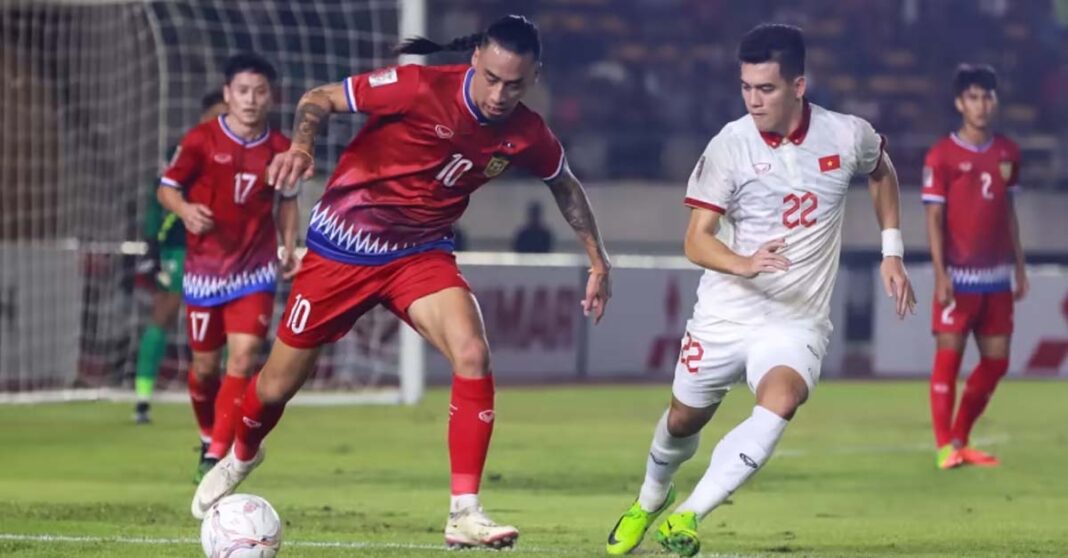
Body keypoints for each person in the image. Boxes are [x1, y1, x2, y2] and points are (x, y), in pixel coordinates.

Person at [191, 15, 612, 550]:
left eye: (515, 84)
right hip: (341, 250)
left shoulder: (527, 132)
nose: (500, 94)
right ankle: (243, 454)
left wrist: (598, 260)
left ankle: (464, 511)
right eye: (491, 78)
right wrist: (301, 146)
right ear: (475, 60)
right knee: (274, 386)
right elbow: (319, 97)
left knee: (472, 354)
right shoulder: (418, 87)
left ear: (534, 78)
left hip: (419, 254)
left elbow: (565, 184)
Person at [604, 24, 916, 557]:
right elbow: (696, 242)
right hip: (726, 311)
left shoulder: (847, 135)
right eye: (746, 87)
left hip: (796, 319)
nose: (753, 100)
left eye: (765, 89)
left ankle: (687, 517)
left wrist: (892, 250)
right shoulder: (730, 146)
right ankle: (651, 498)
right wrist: (744, 263)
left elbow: (881, 170)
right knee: (683, 419)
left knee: (782, 399)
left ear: (798, 85)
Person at [158, 53, 300, 482]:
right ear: (227, 94)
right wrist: (184, 209)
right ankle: (208, 434)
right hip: (204, 269)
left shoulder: (280, 149)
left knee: (243, 360)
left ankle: (217, 454)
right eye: (242, 91)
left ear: (271, 98)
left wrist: (290, 246)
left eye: (259, 92)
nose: (251, 100)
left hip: (254, 270)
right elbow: (166, 189)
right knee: (204, 369)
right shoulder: (201, 140)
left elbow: (288, 203)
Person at [923, 64, 1026, 470]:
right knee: (948, 358)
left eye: (987, 97)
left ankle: (961, 438)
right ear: (959, 103)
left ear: (994, 102)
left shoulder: (1008, 153)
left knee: (997, 361)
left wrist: (1020, 265)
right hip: (959, 277)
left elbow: (1009, 211)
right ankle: (944, 446)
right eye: (973, 97)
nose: (981, 105)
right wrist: (940, 273)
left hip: (997, 277)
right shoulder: (942, 155)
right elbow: (933, 219)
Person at [133, 91, 227, 425]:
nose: (221, 121)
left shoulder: (237, 150)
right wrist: (151, 245)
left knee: (224, 322)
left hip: (220, 249)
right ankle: (142, 398)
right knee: (164, 313)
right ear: (203, 117)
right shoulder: (183, 149)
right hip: (178, 245)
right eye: (216, 115)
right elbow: (157, 196)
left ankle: (225, 399)